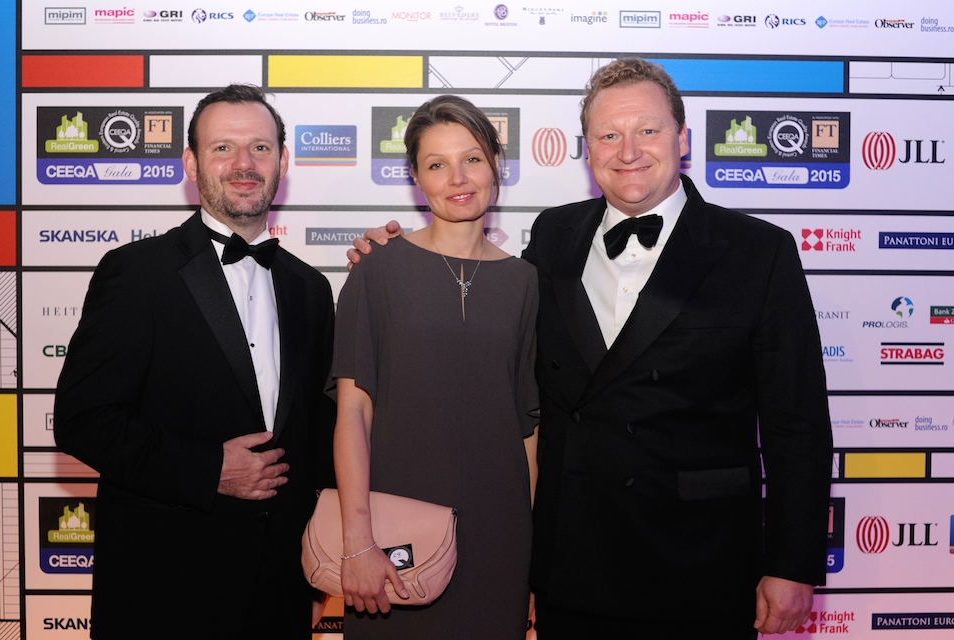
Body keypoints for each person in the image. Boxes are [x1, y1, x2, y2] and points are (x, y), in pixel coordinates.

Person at [349, 58, 833, 639]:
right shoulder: (554, 237)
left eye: (647, 130)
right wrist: (389, 257)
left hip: (700, 565)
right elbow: (478, 329)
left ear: (682, 139)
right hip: (573, 568)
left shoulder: (759, 251)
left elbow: (797, 423)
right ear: (587, 150)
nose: (628, 151)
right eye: (608, 135)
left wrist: (792, 563)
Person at [53, 84, 336, 640]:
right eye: (222, 148)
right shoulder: (137, 273)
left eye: (260, 148)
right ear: (190, 163)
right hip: (165, 589)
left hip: (281, 590)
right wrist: (209, 470)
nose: (244, 164)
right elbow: (83, 420)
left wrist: (314, 577)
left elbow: (317, 437)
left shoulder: (310, 288)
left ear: (282, 161)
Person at [333, 95, 538, 639]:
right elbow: (352, 413)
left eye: (472, 159)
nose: (458, 178)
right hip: (394, 539)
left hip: (500, 540)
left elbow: (529, 431)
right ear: (416, 178)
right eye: (436, 164)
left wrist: (533, 554)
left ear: (496, 165)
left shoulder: (525, 282)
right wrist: (357, 540)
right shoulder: (377, 269)